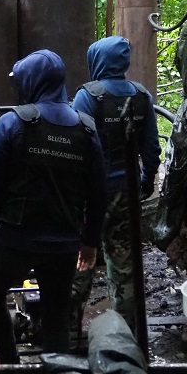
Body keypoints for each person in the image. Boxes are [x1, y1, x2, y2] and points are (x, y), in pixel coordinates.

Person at [0, 49, 107, 364]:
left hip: (16, 240)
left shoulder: (12, 124)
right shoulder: (86, 129)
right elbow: (99, 191)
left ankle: (9, 361)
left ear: (31, 82)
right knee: (57, 311)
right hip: (65, 244)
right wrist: (90, 241)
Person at [70, 35, 161, 332]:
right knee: (124, 264)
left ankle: (68, 331)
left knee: (80, 259)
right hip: (127, 192)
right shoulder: (142, 96)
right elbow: (151, 148)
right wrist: (145, 181)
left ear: (97, 60)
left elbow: (78, 149)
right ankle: (127, 333)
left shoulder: (87, 96)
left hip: (90, 196)